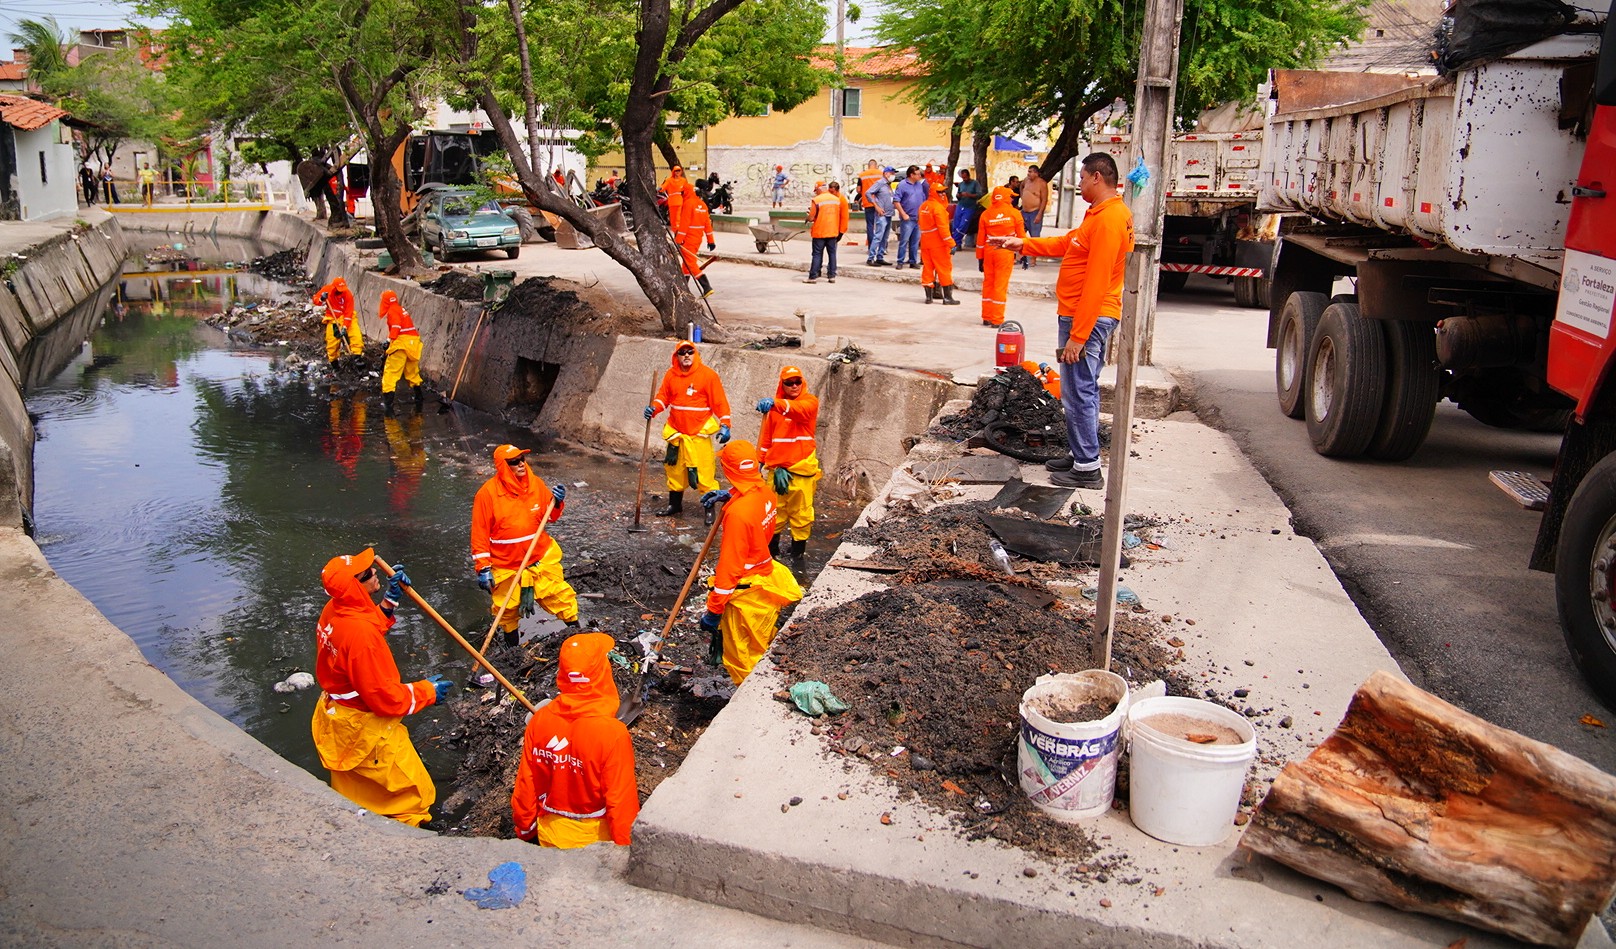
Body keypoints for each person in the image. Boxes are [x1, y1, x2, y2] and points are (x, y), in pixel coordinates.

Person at [996, 153, 1134, 490]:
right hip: (1082, 315)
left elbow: (1098, 280)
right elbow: (1066, 243)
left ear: (1097, 178)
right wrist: (1024, 243)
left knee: (1079, 392)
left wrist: (1078, 335)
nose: (1081, 184)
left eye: (1083, 178)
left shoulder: (1108, 219)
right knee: (1077, 390)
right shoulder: (1099, 214)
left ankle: (1087, 468)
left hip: (1086, 316)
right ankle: (1081, 453)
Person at [310, 547, 452, 828]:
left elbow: (359, 631)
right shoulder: (361, 637)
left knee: (359, 794)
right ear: (355, 587)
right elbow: (385, 698)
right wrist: (428, 691)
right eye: (368, 574)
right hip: (366, 730)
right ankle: (413, 843)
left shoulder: (335, 609)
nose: (376, 571)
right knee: (413, 794)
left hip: (338, 719)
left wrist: (389, 601)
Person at [512, 632, 639, 848]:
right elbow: (621, 802)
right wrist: (626, 850)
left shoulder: (540, 720)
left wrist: (525, 831)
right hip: (594, 843)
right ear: (602, 673)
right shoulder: (612, 733)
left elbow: (527, 783)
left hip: (549, 836)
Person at [697, 441, 804, 685]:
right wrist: (730, 494)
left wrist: (714, 610)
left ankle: (751, 700)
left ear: (728, 470)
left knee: (741, 656)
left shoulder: (738, 515)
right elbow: (751, 492)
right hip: (764, 577)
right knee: (759, 639)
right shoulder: (765, 492)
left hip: (746, 591)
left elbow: (729, 568)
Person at [471, 445, 580, 650]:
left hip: (539, 557)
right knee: (507, 610)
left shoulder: (535, 484)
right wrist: (483, 568)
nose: (521, 464)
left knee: (560, 597)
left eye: (522, 459)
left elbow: (550, 517)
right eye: (514, 461)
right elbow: (479, 533)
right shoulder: (487, 494)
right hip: (506, 564)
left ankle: (580, 637)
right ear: (503, 466)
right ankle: (512, 653)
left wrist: (557, 503)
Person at [644, 341, 732, 522]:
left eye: (689, 352)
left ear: (695, 354)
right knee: (675, 472)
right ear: (676, 356)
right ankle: (675, 505)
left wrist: (725, 424)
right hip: (677, 434)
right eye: (682, 352)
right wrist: (653, 408)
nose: (686, 355)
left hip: (699, 435)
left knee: (704, 474)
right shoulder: (671, 375)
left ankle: (709, 510)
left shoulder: (708, 376)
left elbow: (720, 403)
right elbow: (663, 397)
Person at [756, 366, 820, 566]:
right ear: (782, 384)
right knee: (774, 512)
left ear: (802, 382)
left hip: (801, 470)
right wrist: (759, 463)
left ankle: (797, 556)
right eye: (789, 382)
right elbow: (767, 440)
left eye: (797, 382)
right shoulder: (774, 412)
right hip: (777, 471)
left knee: (801, 513)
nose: (794, 386)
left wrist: (776, 403)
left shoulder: (809, 402)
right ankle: (771, 553)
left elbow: (799, 411)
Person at [975, 186, 1025, 327]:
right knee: (1000, 285)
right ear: (1004, 198)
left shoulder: (986, 214)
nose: (1012, 198)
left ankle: (987, 316)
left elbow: (980, 238)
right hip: (1005, 251)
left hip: (989, 251)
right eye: (1010, 196)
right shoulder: (1015, 213)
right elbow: (1021, 236)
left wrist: (980, 257)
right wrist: (1025, 252)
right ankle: (997, 319)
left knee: (988, 283)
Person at [379, 290, 424, 412]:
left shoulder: (392, 311)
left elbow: (396, 326)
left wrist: (388, 340)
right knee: (412, 371)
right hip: (413, 342)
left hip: (401, 344)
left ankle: (388, 404)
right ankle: (419, 397)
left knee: (391, 373)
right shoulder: (400, 309)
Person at [918, 181, 960, 305]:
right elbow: (943, 230)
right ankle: (947, 298)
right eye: (940, 192)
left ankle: (929, 297)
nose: (942, 194)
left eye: (943, 191)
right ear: (933, 193)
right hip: (938, 244)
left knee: (928, 268)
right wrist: (952, 244)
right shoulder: (938, 208)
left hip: (926, 243)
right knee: (944, 269)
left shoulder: (923, 206)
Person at [313, 276, 362, 368]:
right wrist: (322, 299)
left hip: (346, 318)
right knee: (332, 344)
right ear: (334, 287)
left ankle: (357, 359)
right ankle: (335, 365)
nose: (340, 291)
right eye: (339, 289)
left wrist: (345, 327)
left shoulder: (348, 294)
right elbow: (316, 300)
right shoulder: (327, 289)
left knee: (356, 337)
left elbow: (349, 313)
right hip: (332, 319)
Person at [803, 181, 846, 284]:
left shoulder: (816, 200)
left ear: (819, 189)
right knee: (832, 254)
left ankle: (813, 277)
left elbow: (812, 216)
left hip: (820, 231)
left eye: (816, 191)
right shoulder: (836, 200)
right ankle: (832, 276)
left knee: (817, 254)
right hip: (833, 231)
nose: (815, 193)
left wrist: (807, 218)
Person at [678, 188, 717, 298]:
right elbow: (707, 225)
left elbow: (684, 224)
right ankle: (683, 288)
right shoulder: (703, 205)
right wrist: (711, 241)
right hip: (697, 239)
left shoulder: (688, 204)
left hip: (688, 238)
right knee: (686, 263)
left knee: (691, 263)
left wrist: (678, 239)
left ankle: (707, 287)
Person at [893, 166, 928, 271]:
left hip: (918, 218)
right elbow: (896, 201)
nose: (919, 176)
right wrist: (903, 214)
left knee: (915, 241)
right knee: (904, 240)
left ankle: (913, 261)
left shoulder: (919, 185)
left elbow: (923, 199)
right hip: (908, 218)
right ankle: (900, 261)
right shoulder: (903, 185)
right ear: (911, 175)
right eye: (917, 174)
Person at [1018, 164, 1050, 268]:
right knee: (1020, 235)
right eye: (1028, 171)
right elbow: (1021, 186)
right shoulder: (1026, 181)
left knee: (1035, 238)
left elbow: (1044, 200)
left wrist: (1040, 214)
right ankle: (1020, 257)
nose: (1029, 174)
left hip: (1035, 212)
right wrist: (1022, 195)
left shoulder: (1042, 183)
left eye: (1031, 172)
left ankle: (1033, 259)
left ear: (1036, 173)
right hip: (1024, 212)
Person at [863, 166, 896, 266]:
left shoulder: (888, 185)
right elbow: (868, 193)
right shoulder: (880, 183)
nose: (894, 175)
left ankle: (880, 256)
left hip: (889, 213)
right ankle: (871, 258)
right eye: (892, 173)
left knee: (885, 237)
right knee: (878, 236)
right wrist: (876, 206)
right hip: (882, 214)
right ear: (886, 174)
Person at [951, 169, 984, 249]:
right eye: (963, 178)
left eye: (965, 177)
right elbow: (958, 195)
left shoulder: (975, 183)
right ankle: (956, 243)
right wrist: (958, 196)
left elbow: (979, 195)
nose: (964, 179)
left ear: (968, 176)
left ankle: (955, 242)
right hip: (960, 205)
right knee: (956, 225)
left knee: (963, 225)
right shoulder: (961, 184)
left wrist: (969, 195)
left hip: (970, 207)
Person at [856, 160, 883, 257]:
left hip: (868, 202)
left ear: (868, 166)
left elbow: (859, 190)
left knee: (870, 226)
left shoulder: (862, 175)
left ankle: (871, 247)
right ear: (876, 166)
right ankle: (881, 248)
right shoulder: (881, 173)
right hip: (880, 203)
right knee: (881, 225)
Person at [661, 165, 694, 232]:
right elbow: (663, 187)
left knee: (678, 218)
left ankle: (678, 232)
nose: (677, 172)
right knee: (673, 219)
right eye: (676, 171)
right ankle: (675, 232)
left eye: (679, 170)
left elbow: (687, 190)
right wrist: (660, 188)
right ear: (673, 172)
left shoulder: (683, 180)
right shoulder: (669, 180)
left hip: (679, 201)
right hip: (672, 202)